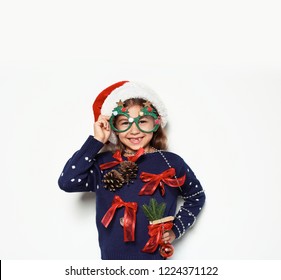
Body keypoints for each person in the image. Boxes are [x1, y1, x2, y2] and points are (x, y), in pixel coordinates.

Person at [58, 80, 206, 260]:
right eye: (124, 123)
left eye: (142, 121)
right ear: (114, 128)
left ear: (156, 123)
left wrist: (176, 229)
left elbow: (196, 196)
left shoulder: (171, 162)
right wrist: (96, 141)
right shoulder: (103, 163)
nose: (134, 130)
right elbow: (67, 182)